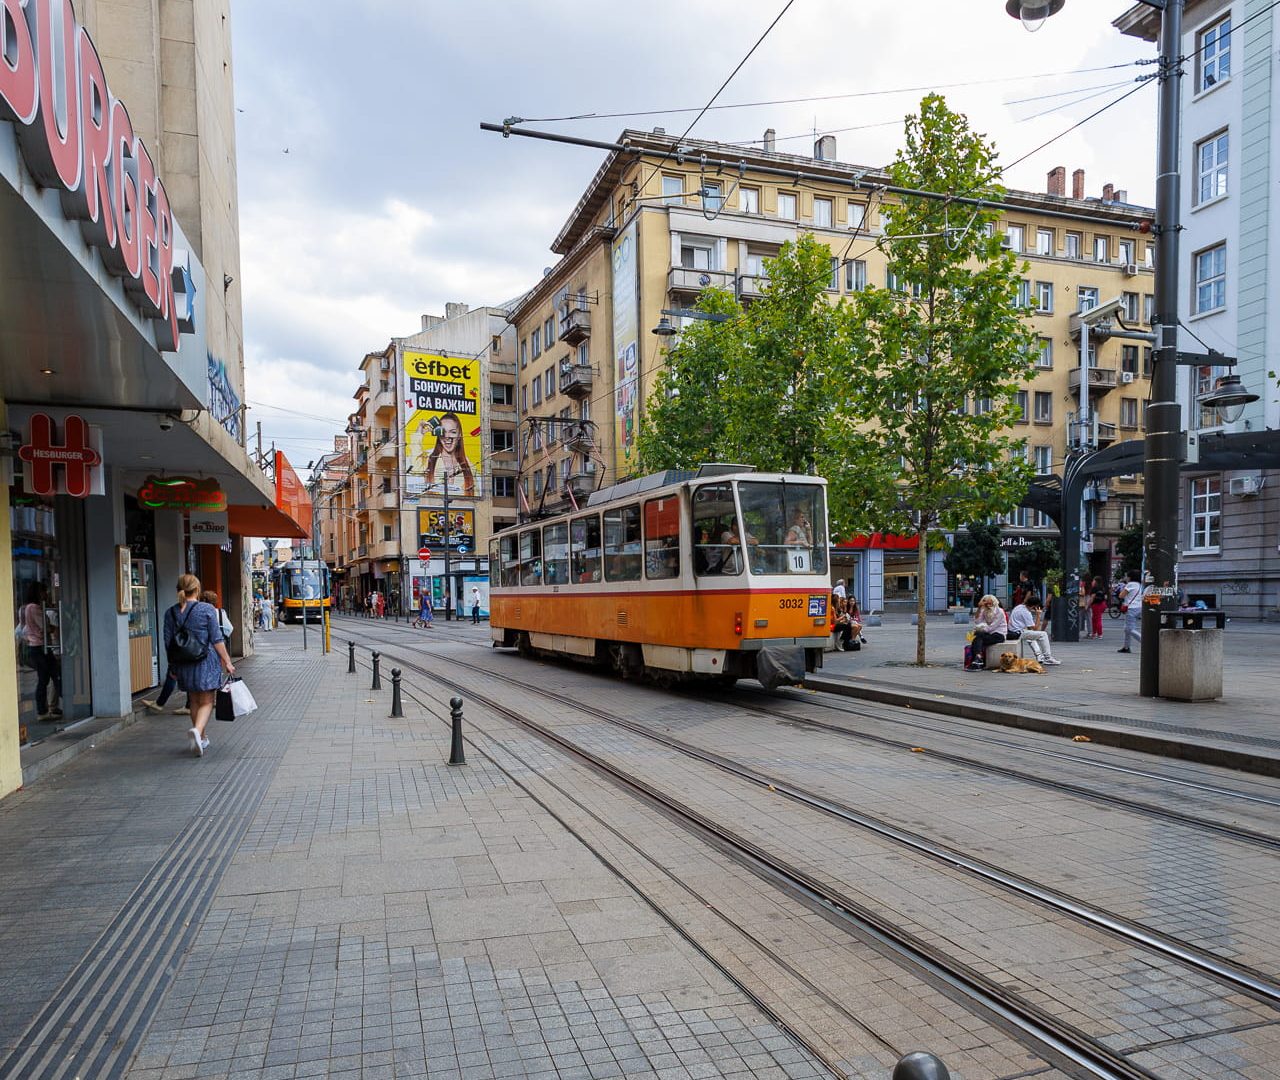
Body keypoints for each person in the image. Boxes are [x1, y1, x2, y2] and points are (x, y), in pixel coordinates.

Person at [162, 574, 234, 757]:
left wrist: (173, 665)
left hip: (183, 663)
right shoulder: (207, 609)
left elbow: (168, 642)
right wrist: (227, 660)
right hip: (205, 661)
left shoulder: (170, 612)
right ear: (197, 589)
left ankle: (201, 738)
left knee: (193, 700)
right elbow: (216, 639)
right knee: (207, 701)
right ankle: (198, 730)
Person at [18, 583, 61, 721]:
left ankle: (47, 708)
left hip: (36, 646)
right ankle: (43, 710)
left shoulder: (24, 608)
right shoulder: (35, 608)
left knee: (49, 676)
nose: (46, 594)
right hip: (40, 646)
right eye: (44, 591)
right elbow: (45, 627)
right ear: (38, 593)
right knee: (48, 677)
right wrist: (52, 628)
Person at [421, 412, 476, 496]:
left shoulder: (470, 467)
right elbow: (412, 462)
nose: (447, 436)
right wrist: (420, 433)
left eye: (453, 432)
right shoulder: (427, 458)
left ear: (459, 435)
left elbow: (475, 499)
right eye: (443, 431)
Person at [1009, 595, 1059, 665]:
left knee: (1031, 634)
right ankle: (1048, 658)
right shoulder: (1026, 613)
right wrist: (1038, 615)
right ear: (1034, 606)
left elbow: (1031, 629)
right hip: (1017, 633)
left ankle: (1039, 656)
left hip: (1013, 631)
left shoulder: (1019, 607)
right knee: (1043, 634)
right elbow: (1036, 628)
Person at [968, 594, 1008, 669]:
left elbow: (992, 627)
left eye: (991, 603)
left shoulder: (1000, 611)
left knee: (977, 637)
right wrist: (979, 608)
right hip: (988, 633)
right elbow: (978, 621)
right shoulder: (984, 610)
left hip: (999, 634)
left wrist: (980, 631)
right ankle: (978, 658)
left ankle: (977, 660)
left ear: (994, 603)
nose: (989, 605)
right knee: (977, 638)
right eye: (987, 604)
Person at [1117, 570, 1143, 653]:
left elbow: (1121, 595)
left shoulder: (1130, 584)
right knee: (1127, 628)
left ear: (1130, 577)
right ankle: (1126, 647)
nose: (1126, 578)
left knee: (1130, 629)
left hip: (1131, 608)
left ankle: (1145, 642)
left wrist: (1123, 588)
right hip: (1139, 607)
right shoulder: (1140, 585)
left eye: (1127, 576)